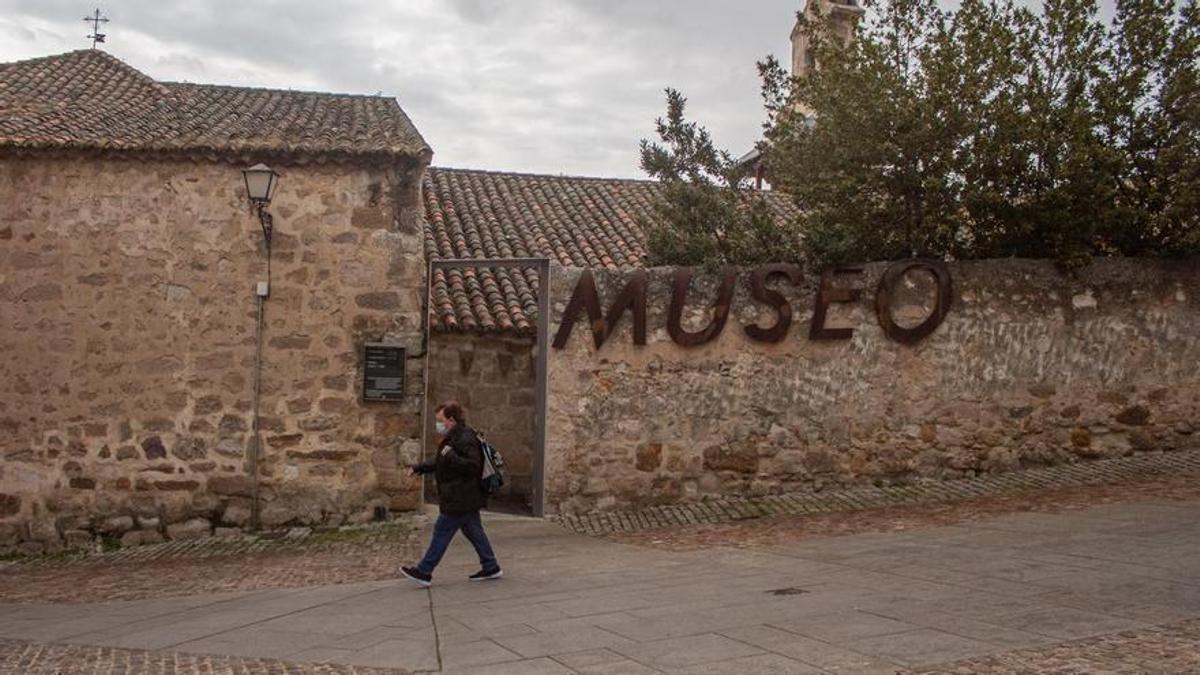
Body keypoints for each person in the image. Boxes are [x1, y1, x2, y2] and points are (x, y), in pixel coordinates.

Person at [400, 401, 502, 587]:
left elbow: (473, 465)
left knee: (441, 532)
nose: (437, 424)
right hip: (464, 496)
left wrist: (450, 456)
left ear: (451, 420)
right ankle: (491, 565)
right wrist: (418, 468)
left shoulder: (465, 438)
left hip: (460, 496)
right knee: (474, 531)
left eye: (440, 420)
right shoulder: (453, 437)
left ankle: (424, 571)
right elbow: (440, 460)